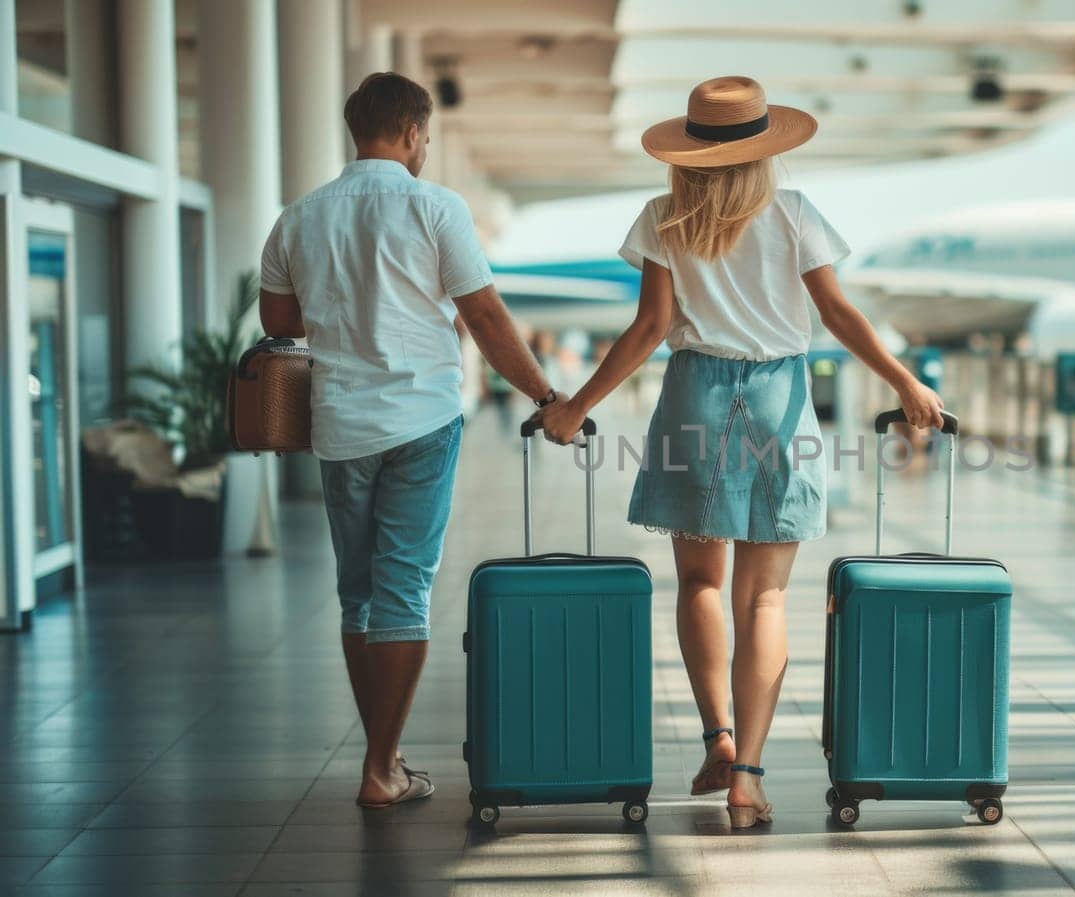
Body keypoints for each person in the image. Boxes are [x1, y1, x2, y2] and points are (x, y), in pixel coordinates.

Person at [535, 76, 943, 828]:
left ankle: (717, 736)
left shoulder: (663, 216)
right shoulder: (793, 213)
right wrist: (906, 380)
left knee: (699, 581)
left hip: (695, 392)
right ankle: (748, 775)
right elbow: (838, 314)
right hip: (779, 402)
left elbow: (650, 326)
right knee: (766, 595)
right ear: (763, 151)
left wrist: (575, 407)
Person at [258, 72, 566, 808]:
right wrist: (548, 396)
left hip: (339, 423)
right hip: (422, 419)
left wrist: (343, 300)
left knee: (357, 594)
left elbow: (278, 321)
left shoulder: (298, 217)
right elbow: (486, 316)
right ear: (412, 132)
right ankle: (379, 767)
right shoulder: (435, 207)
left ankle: (385, 757)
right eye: (424, 136)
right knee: (403, 591)